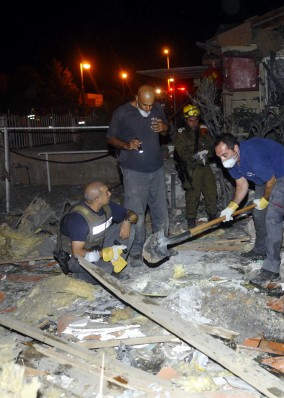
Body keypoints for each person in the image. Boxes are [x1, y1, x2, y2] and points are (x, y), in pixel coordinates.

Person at [214, 133, 284, 287]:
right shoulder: (232, 162)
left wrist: (265, 199)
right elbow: (242, 185)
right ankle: (260, 250)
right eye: (219, 157)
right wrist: (231, 207)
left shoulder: (253, 156)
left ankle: (272, 268)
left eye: (225, 155)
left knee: (272, 217)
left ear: (236, 148)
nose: (223, 160)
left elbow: (271, 181)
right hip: (264, 178)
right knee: (258, 213)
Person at [106, 85, 170, 265]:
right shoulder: (122, 112)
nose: (149, 109)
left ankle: (161, 246)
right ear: (136, 97)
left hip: (156, 168)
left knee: (161, 211)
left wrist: (164, 127)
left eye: (151, 105)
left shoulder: (156, 108)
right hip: (133, 171)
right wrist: (127, 145)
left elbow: (166, 130)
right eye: (145, 105)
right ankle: (135, 251)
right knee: (136, 214)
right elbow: (110, 137)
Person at [58, 181, 138, 284]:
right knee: (105, 269)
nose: (110, 194)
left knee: (130, 227)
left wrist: (127, 222)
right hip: (76, 258)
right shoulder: (78, 220)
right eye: (106, 192)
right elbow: (77, 253)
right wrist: (105, 253)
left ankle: (115, 269)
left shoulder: (106, 206)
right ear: (97, 199)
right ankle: (80, 276)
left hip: (97, 245)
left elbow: (133, 215)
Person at [174, 104, 217, 228]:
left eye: (196, 120)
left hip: (205, 164)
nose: (193, 123)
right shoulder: (181, 134)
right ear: (186, 120)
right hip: (191, 167)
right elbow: (182, 153)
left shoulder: (203, 130)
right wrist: (197, 156)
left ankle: (212, 217)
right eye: (191, 120)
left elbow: (213, 147)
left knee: (211, 191)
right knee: (193, 194)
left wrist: (206, 153)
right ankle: (191, 219)